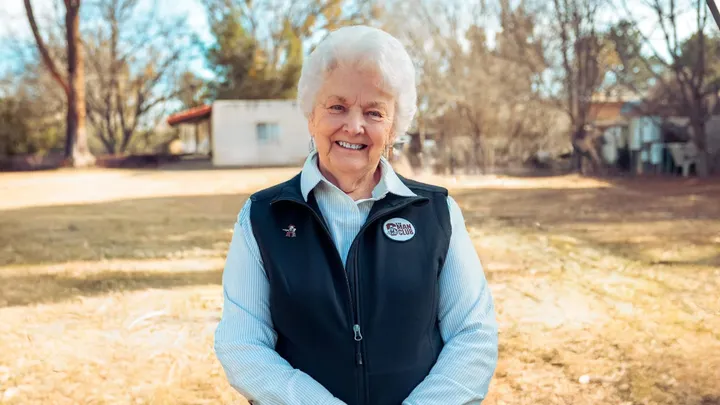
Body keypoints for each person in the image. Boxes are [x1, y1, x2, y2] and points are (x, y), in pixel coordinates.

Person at [214, 25, 498, 405]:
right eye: (337, 106)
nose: (354, 125)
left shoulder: (437, 213)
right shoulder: (263, 217)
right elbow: (242, 345)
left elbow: (473, 334)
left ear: (394, 127)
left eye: (374, 111)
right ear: (311, 115)